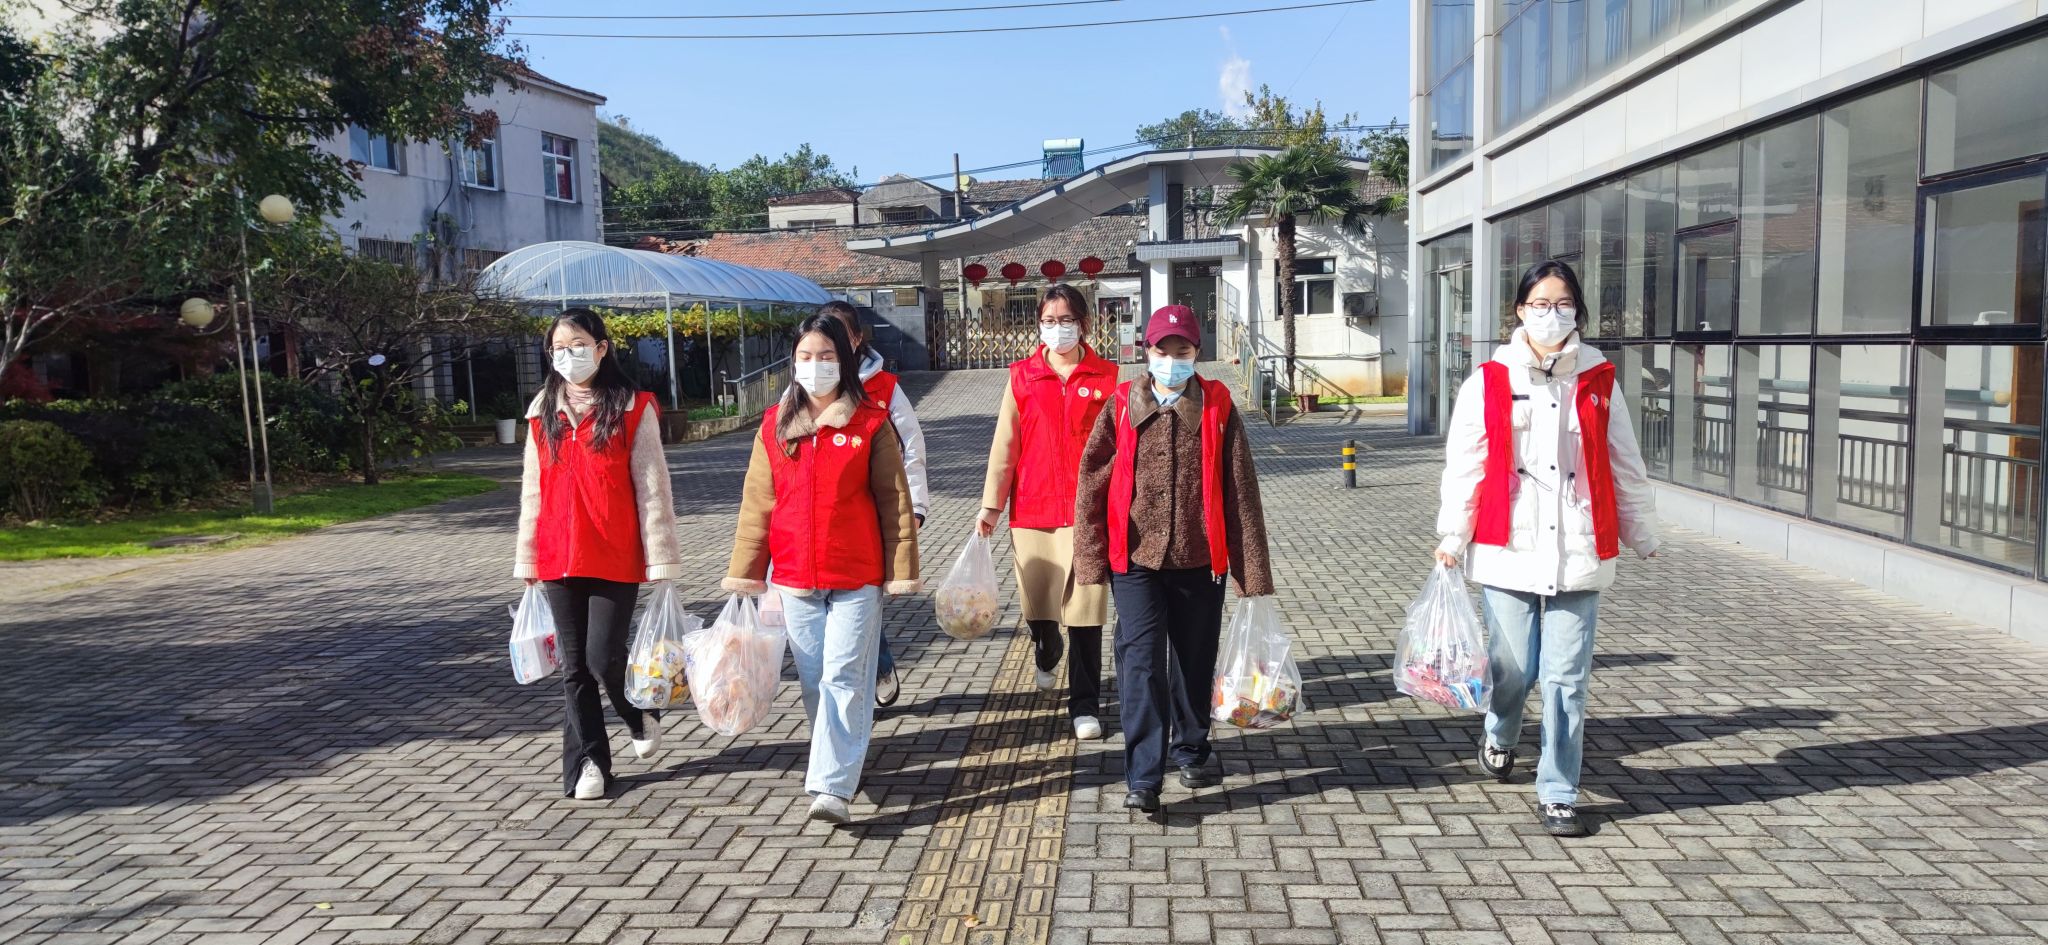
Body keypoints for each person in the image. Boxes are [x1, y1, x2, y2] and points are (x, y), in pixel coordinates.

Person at [1434, 259, 1661, 837]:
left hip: (1579, 548)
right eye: (1539, 303)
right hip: (1507, 544)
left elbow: (1624, 461)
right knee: (1513, 667)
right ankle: (1500, 733)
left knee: (1566, 678)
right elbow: (1466, 465)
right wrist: (1452, 536)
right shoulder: (1489, 379)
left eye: (1562, 304)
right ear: (1520, 310)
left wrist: (1642, 530)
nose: (1551, 314)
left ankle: (1559, 791)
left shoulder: (1599, 379)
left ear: (1577, 311)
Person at [1073, 304, 1274, 813]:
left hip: (1200, 559)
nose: (1171, 359)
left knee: (1193, 658)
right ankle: (1144, 776)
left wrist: (1251, 573)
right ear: (1148, 351)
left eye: (1182, 350)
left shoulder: (1217, 405)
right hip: (1135, 559)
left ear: (1196, 352)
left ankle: (1191, 748)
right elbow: (1092, 480)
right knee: (1140, 664)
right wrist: (1090, 557)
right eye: (1162, 350)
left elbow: (1240, 489)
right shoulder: (1122, 403)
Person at [724, 313, 921, 825]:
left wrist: (900, 568)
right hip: (794, 578)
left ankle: (832, 786)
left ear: (846, 361)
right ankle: (840, 761)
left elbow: (894, 501)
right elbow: (757, 503)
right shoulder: (775, 424)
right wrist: (747, 571)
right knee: (815, 682)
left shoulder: (870, 421)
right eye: (806, 356)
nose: (816, 366)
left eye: (828, 356)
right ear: (793, 362)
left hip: (857, 575)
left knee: (843, 676)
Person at [513, 308, 683, 801]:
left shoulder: (633, 408)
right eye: (558, 349)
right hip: (558, 556)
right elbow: (532, 491)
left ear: (602, 348)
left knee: (603, 657)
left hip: (614, 554)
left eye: (578, 346)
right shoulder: (541, 411)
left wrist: (661, 559)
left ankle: (636, 712)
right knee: (574, 668)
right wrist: (527, 557)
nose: (568, 356)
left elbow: (653, 489)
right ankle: (589, 763)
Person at [977, 283, 1120, 740]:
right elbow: (1005, 444)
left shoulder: (1108, 377)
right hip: (1033, 510)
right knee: (1039, 607)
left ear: (1084, 323)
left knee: (1086, 610)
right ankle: (1045, 646)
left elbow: (1120, 446)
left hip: (1087, 512)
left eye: (1067, 320)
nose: (1058, 329)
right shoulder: (1022, 376)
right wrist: (991, 505)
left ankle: (1084, 705)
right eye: (1049, 321)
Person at [819, 300, 928, 709]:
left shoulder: (884, 387)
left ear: (857, 338)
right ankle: (848, 686)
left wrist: (915, 506)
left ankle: (877, 669)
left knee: (860, 601)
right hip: (824, 517)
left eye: (840, 334)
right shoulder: (806, 385)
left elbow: (912, 446)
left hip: (872, 516)